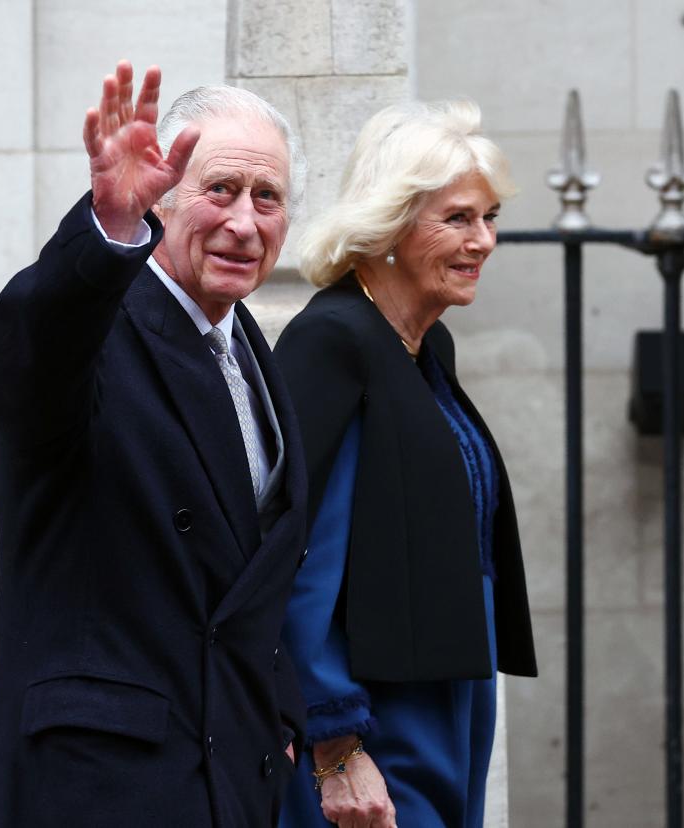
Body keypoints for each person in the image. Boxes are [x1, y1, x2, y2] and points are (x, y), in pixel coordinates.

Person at [0, 60, 311, 827]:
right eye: (219, 190)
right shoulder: (98, 326)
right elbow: (21, 366)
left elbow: (248, 590)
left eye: (269, 198)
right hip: (100, 789)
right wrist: (108, 230)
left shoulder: (250, 348)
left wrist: (283, 720)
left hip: (227, 782)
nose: (244, 221)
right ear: (164, 196)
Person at [274, 100, 538, 828]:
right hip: (378, 717)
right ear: (388, 224)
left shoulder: (424, 349)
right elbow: (300, 565)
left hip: (448, 693)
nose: (482, 241)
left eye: (488, 219)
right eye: (458, 218)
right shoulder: (333, 342)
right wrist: (336, 741)